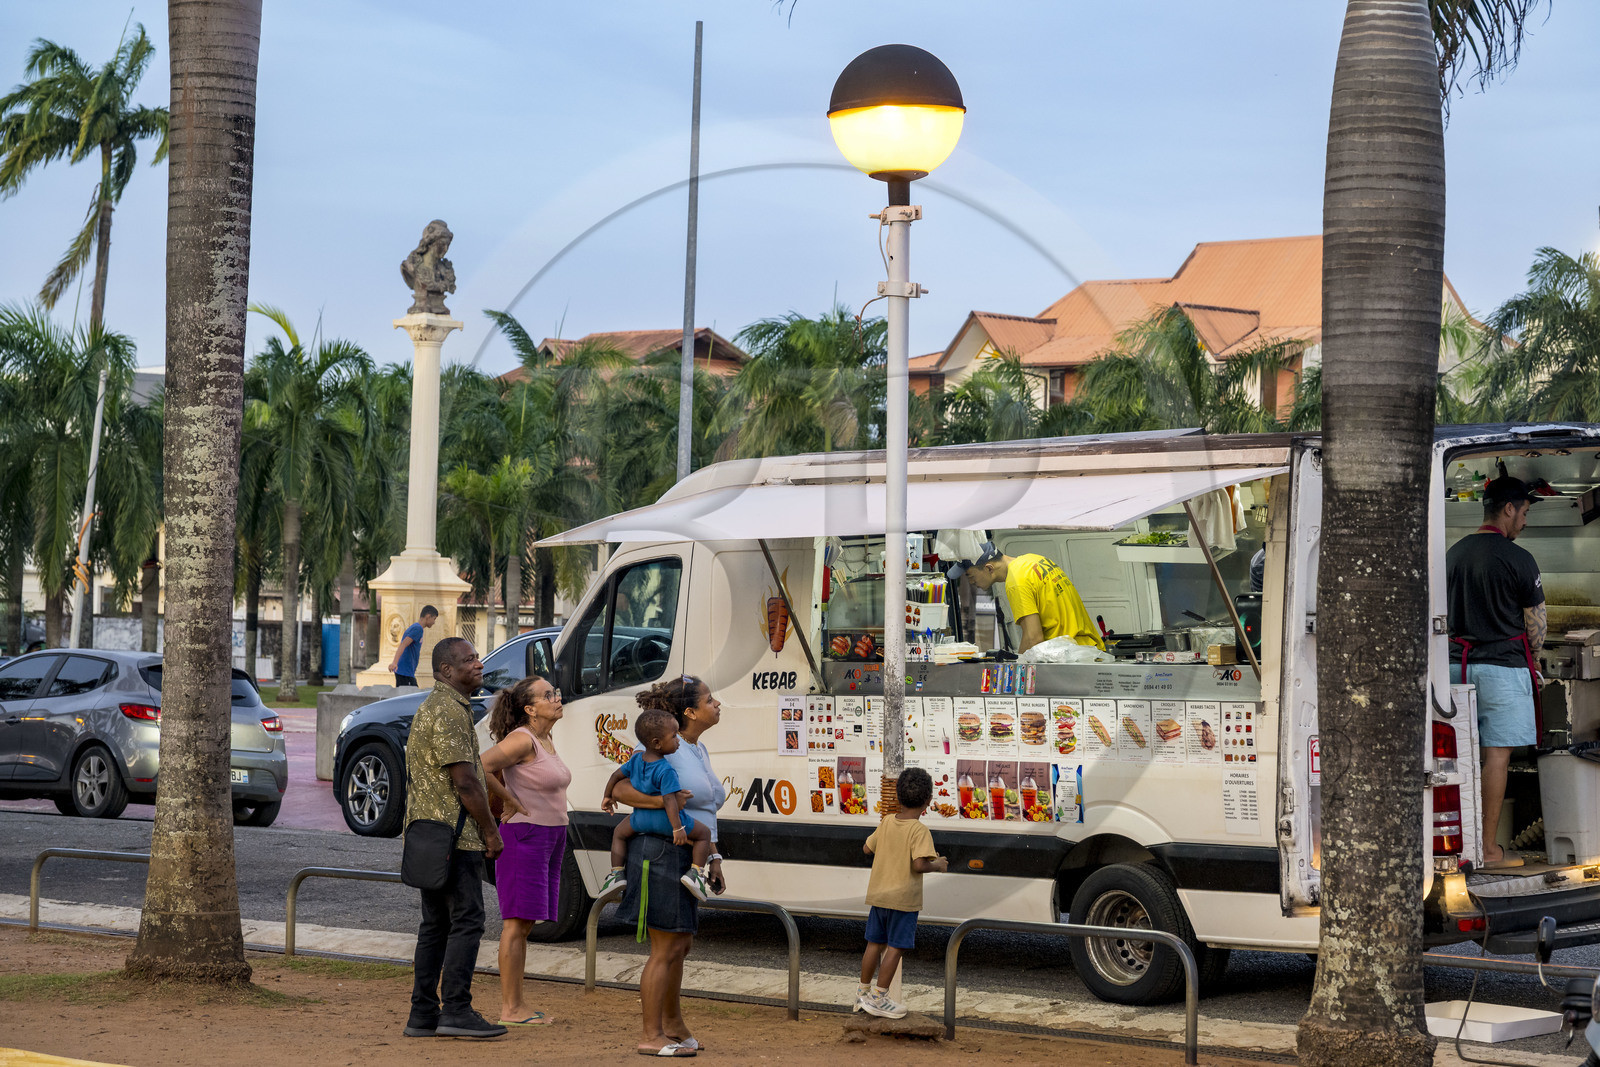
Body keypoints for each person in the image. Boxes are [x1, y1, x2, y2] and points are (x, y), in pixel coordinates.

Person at [611, 675, 727, 1057]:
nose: (718, 703)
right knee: (665, 947)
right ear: (690, 711)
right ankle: (651, 1034)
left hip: (685, 850)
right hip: (659, 848)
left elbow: (706, 810)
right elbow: (620, 791)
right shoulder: (664, 748)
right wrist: (667, 803)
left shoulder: (695, 748)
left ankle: (673, 1023)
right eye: (710, 699)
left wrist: (712, 857)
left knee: (681, 942)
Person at [402, 636, 506, 1039]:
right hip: (455, 838)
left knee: (435, 925)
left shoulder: (438, 706)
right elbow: (465, 781)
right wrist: (490, 830)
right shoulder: (447, 710)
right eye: (469, 660)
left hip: (429, 835)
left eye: (477, 657)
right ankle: (456, 1010)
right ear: (447, 671)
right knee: (467, 920)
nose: (478, 664)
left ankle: (423, 1013)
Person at [1447, 475, 1547, 870]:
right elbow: (1537, 623)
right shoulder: (1519, 558)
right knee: (1496, 760)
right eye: (1523, 512)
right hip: (1503, 672)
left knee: (1456, 761)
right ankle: (1488, 849)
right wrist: (1534, 658)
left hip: (1457, 668)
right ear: (1508, 509)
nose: (1524, 521)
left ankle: (1457, 845)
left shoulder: (1453, 554)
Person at [481, 674, 571, 1027]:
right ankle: (511, 1008)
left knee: (526, 924)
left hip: (550, 836)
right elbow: (481, 765)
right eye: (548, 695)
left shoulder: (545, 739)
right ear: (530, 709)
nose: (557, 698)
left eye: (556, 692)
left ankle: (517, 1004)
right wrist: (509, 800)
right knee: (516, 925)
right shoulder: (522, 739)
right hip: (525, 836)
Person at [854, 767, 947, 1020]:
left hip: (879, 895)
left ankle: (862, 993)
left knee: (874, 943)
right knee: (895, 947)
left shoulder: (886, 822)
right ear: (928, 801)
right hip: (903, 900)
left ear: (898, 795)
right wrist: (937, 864)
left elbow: (866, 848)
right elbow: (919, 864)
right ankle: (879, 997)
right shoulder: (919, 830)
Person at [599, 710, 714, 901]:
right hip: (666, 822)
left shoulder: (635, 760)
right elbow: (669, 800)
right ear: (657, 743)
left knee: (619, 833)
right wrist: (677, 828)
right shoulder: (666, 769)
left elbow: (615, 776)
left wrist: (607, 797)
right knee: (704, 835)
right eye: (674, 736)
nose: (678, 740)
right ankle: (696, 875)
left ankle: (616, 874)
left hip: (639, 820)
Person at [949, 541, 1105, 653]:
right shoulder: (1034, 560)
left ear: (989, 568)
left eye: (970, 575)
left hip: (1070, 658)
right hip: (1089, 649)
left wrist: (1015, 670)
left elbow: (1033, 638)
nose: (971, 582)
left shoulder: (1016, 581)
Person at [389, 605, 438, 687]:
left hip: (407, 671)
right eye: (434, 619)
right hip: (405, 671)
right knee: (410, 697)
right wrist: (394, 663)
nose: (434, 622)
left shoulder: (417, 627)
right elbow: (403, 644)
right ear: (428, 616)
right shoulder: (417, 629)